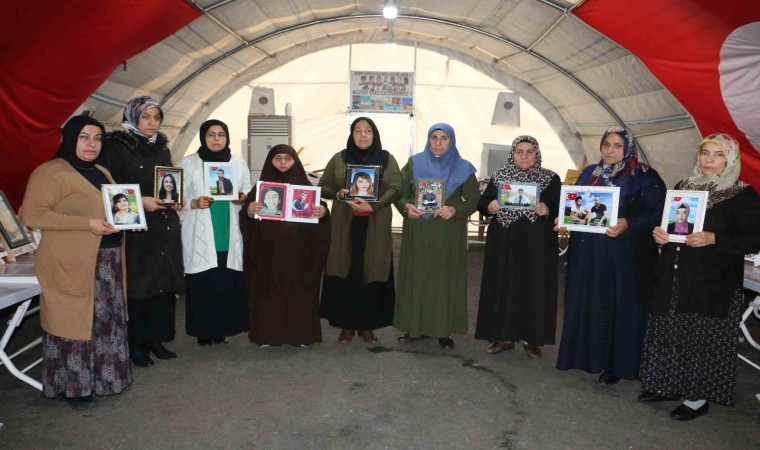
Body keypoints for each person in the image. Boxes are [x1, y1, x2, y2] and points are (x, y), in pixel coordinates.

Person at [639, 133, 760, 420]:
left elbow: (755, 238)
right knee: (671, 330)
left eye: (718, 154)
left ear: (730, 159)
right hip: (676, 274)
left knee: (701, 337)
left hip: (712, 280)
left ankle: (696, 398)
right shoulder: (685, 186)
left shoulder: (742, 194)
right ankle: (667, 384)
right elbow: (672, 224)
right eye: (705, 153)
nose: (709, 160)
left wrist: (714, 238)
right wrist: (660, 233)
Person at [20, 115, 132, 410]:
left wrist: (130, 218)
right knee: (74, 324)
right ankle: (74, 388)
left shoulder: (101, 171)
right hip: (71, 262)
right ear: (70, 138)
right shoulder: (50, 172)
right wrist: (87, 223)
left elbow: (113, 209)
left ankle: (107, 380)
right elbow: (32, 215)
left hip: (107, 259)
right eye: (84, 137)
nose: (92, 144)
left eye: (97, 138)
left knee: (105, 323)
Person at [556, 126, 666, 384]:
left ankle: (615, 365)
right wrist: (565, 220)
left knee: (618, 307)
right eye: (606, 144)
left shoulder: (644, 176)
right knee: (590, 302)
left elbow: (658, 213)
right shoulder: (589, 172)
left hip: (624, 257)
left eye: (618, 145)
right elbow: (577, 208)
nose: (610, 150)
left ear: (628, 148)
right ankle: (587, 357)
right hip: (588, 254)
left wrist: (629, 223)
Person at [99, 95, 184, 367]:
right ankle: (136, 344)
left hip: (162, 224)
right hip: (134, 227)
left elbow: (166, 182)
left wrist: (173, 199)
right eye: (145, 117)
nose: (152, 123)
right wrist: (141, 202)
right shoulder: (116, 147)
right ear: (132, 116)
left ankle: (156, 339)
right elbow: (109, 187)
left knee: (162, 285)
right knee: (139, 286)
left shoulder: (161, 148)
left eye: (157, 118)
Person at [394, 123, 479, 349]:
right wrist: (406, 206)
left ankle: (443, 330)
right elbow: (399, 193)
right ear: (428, 139)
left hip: (448, 233)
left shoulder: (464, 168)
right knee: (417, 276)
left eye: (444, 138)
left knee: (443, 279)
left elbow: (473, 199)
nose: (438, 142)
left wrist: (456, 210)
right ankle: (414, 328)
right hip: (418, 230)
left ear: (452, 140)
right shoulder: (414, 163)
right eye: (434, 137)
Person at [475, 135, 561, 358]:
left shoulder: (550, 178)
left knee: (534, 287)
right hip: (503, 243)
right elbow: (482, 203)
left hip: (537, 245)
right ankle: (503, 336)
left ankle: (532, 338)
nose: (524, 156)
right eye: (519, 151)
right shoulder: (499, 177)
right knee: (502, 285)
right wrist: (490, 206)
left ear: (537, 154)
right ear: (512, 154)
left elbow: (562, 207)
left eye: (530, 151)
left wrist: (547, 209)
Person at [319, 117, 401, 344]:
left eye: (367, 130)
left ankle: (367, 326)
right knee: (346, 271)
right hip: (345, 225)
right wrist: (337, 194)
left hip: (374, 224)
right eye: (357, 130)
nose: (363, 135)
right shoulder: (339, 159)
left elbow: (396, 188)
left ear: (374, 134)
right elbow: (323, 186)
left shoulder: (387, 159)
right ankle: (346, 325)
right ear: (351, 134)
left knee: (371, 271)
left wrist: (373, 206)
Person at [242, 145, 331, 347]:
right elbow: (245, 217)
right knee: (268, 292)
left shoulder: (305, 187)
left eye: (288, 159)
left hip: (300, 254)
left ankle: (301, 335)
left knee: (300, 292)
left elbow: (323, 213)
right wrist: (249, 210)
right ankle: (267, 335)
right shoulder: (259, 189)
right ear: (270, 162)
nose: (283, 162)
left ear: (295, 162)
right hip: (268, 254)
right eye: (278, 158)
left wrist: (323, 212)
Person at [178, 119, 252, 346]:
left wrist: (242, 197)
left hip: (228, 232)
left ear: (227, 137)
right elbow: (172, 197)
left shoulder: (237, 163)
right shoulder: (188, 163)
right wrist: (193, 203)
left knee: (225, 283)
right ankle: (203, 331)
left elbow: (248, 189)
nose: (216, 139)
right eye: (211, 134)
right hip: (200, 232)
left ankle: (222, 329)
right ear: (203, 137)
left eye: (221, 134)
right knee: (202, 283)